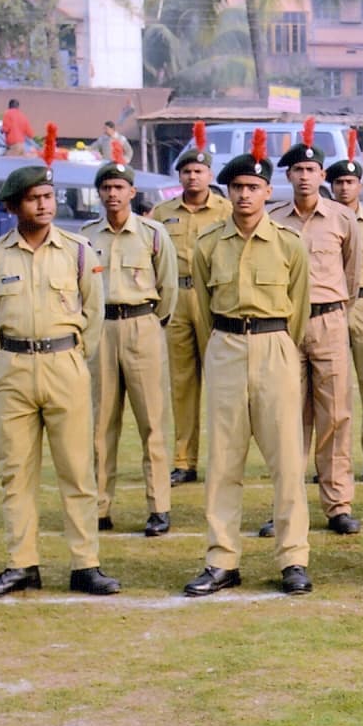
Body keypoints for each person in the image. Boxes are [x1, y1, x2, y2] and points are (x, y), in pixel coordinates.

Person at [0, 162, 119, 600]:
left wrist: (72, 357)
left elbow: (94, 314)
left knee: (76, 471)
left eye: (49, 197)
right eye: (34, 198)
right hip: (14, 367)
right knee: (15, 472)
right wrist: (8, 359)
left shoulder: (77, 251)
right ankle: (21, 564)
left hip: (64, 365)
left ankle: (85, 564)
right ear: (14, 206)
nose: (44, 205)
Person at [184, 138, 314, 596]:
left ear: (267, 191)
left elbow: (298, 308)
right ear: (228, 191)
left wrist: (277, 345)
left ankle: (293, 559)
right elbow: (201, 305)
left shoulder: (289, 244)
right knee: (223, 461)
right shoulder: (207, 246)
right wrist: (222, 347)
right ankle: (222, 560)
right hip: (224, 347)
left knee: (286, 461)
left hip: (274, 345)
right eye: (237, 186)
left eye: (254, 187)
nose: (244, 195)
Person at [264, 122, 362, 536]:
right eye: (297, 171)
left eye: (312, 171)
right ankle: (286, 505)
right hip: (286, 324)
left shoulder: (342, 219)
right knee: (286, 417)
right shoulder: (273, 220)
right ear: (288, 176)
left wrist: (335, 311)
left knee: (335, 414)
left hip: (329, 321)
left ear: (323, 176)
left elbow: (352, 275)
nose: (305, 177)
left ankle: (337, 503)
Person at [80, 154, 178, 537]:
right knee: (102, 423)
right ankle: (100, 506)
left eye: (119, 187)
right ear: (99, 193)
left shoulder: (153, 234)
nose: (112, 194)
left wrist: (152, 323)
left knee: (152, 422)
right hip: (102, 328)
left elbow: (168, 288)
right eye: (106, 188)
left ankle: (159, 507)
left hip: (142, 324)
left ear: (132, 191)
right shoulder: (87, 236)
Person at [154, 124, 233, 485]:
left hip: (211, 299)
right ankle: (185, 460)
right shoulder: (161, 212)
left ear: (210, 174)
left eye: (199, 170)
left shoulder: (226, 210)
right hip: (176, 298)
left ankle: (223, 458)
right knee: (182, 383)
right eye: (186, 171)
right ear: (180, 176)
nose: (192, 176)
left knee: (220, 383)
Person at [325, 146, 363, 483]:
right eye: (338, 182)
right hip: (331, 308)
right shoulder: (321, 223)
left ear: (360, 185)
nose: (344, 188)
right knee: (331, 387)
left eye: (350, 181)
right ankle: (334, 457)